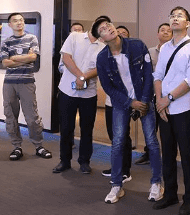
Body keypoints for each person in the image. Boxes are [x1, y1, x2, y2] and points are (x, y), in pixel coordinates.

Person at [95, 18, 163, 204]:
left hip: (145, 99)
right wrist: (130, 102)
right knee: (118, 142)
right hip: (122, 103)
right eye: (103, 29)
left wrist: (145, 101)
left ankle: (156, 183)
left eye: (109, 25)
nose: (108, 28)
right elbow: (108, 88)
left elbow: (149, 74)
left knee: (151, 140)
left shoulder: (137, 45)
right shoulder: (102, 58)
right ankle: (116, 184)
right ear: (101, 39)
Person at [153, 7, 190, 215]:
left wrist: (168, 99)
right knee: (167, 154)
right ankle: (170, 194)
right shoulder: (165, 47)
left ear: (188, 23)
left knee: (188, 156)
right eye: (172, 16)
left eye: (179, 16)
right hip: (164, 109)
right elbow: (157, 75)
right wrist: (159, 101)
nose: (175, 18)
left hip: (184, 109)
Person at [52, 17, 105, 174]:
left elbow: (100, 68)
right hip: (67, 91)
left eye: (105, 27)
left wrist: (83, 77)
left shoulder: (103, 47)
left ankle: (84, 161)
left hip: (89, 94)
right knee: (66, 127)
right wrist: (80, 76)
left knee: (87, 129)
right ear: (93, 23)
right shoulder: (75, 36)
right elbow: (66, 58)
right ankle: (64, 161)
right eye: (99, 24)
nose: (101, 28)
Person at [0, 13, 52, 161]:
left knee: (32, 117)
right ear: (10, 24)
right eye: (15, 21)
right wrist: (25, 58)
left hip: (27, 82)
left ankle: (39, 146)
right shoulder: (6, 42)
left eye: (21, 20)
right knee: (10, 115)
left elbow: (33, 57)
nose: (19, 23)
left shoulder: (32, 38)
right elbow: (5, 63)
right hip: (9, 83)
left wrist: (14, 58)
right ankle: (16, 147)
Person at [96, 16, 134, 183]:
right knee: (114, 135)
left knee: (123, 136)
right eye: (119, 32)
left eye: (124, 33)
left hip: (125, 102)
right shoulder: (105, 56)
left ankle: (125, 171)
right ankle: (117, 167)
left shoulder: (131, 53)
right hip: (111, 102)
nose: (120, 34)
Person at [137, 22, 173, 167]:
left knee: (167, 128)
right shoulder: (149, 52)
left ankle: (167, 157)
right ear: (158, 34)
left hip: (168, 96)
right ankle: (148, 154)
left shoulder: (175, 51)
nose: (165, 32)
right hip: (150, 94)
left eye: (169, 31)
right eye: (162, 30)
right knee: (150, 127)